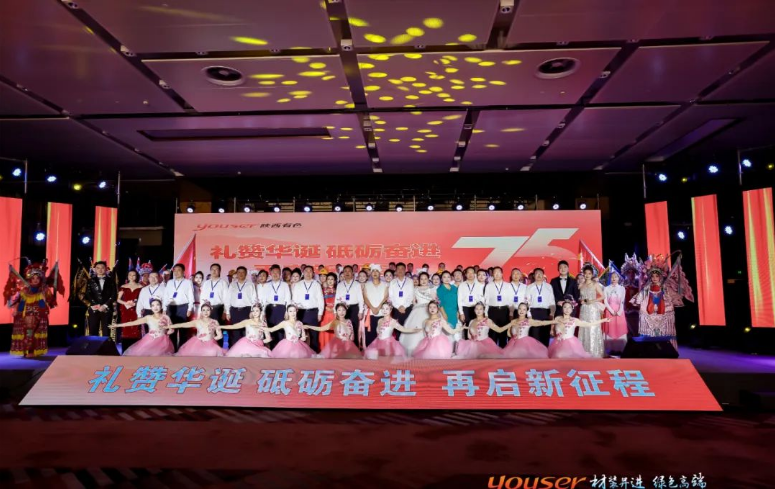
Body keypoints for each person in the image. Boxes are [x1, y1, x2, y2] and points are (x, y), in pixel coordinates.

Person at [4, 261, 62, 357]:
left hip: (40, 315)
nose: (35, 280)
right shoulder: (24, 291)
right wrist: (16, 310)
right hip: (26, 315)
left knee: (36, 334)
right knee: (27, 333)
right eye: (33, 278)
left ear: (40, 279)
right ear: (30, 279)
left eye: (37, 278)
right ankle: (27, 351)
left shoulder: (44, 290)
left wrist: (47, 299)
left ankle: (34, 351)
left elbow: (51, 302)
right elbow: (18, 302)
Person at [631, 268, 678, 349]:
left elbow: (671, 299)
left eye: (656, 276)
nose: (654, 278)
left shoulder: (665, 287)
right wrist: (640, 302)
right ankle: (650, 350)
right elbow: (639, 299)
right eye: (652, 276)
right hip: (649, 313)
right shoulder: (647, 288)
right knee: (649, 333)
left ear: (660, 277)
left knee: (664, 332)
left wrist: (669, 304)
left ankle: (666, 350)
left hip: (663, 314)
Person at [110, 298, 174, 356]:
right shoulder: (148, 317)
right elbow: (133, 323)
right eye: (153, 305)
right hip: (150, 340)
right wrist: (117, 325)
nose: (155, 307)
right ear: (151, 307)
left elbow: (171, 328)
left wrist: (169, 331)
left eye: (157, 305)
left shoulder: (166, 317)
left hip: (163, 341)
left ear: (161, 306)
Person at [400, 271, 436, 356]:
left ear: (428, 280)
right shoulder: (415, 289)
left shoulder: (431, 289)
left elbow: (434, 301)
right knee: (416, 330)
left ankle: (429, 350)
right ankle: (415, 350)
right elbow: (413, 301)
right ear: (419, 280)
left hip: (429, 311)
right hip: (417, 311)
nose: (423, 281)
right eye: (421, 279)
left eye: (425, 279)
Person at [162, 263, 195, 348]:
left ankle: (181, 350)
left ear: (183, 271)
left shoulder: (187, 282)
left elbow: (191, 296)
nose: (176, 272)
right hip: (171, 308)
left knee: (183, 330)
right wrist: (164, 308)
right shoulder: (170, 282)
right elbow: (166, 296)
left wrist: (190, 308)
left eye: (179, 270)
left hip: (183, 307)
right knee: (171, 329)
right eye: (175, 270)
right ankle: (172, 349)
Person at [224, 266, 257, 347]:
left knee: (246, 331)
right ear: (236, 274)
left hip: (246, 311)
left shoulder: (250, 284)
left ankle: (245, 350)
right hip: (234, 311)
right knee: (235, 332)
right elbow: (228, 299)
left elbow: (254, 299)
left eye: (243, 272)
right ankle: (233, 349)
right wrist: (227, 312)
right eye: (239, 272)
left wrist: (252, 311)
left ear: (246, 274)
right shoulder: (232, 285)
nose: (241, 274)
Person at [293, 265, 324, 351]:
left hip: (313, 312)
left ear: (313, 273)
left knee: (314, 334)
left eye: (310, 271)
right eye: (306, 271)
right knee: (300, 334)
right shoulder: (298, 284)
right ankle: (302, 352)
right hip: (301, 312)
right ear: (303, 273)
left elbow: (320, 299)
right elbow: (294, 299)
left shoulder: (317, 284)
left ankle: (314, 352)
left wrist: (320, 313)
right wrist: (294, 313)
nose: (308, 273)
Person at [578, 264, 606, 358]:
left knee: (593, 328)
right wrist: (581, 300)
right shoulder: (581, 285)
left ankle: (594, 352)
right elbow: (578, 297)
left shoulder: (595, 284)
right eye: (585, 273)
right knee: (584, 328)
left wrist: (593, 301)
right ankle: (584, 352)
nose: (587, 275)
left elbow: (603, 296)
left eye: (589, 273)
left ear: (592, 274)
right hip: (584, 309)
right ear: (583, 274)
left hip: (593, 309)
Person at [84, 261, 117, 337]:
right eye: (98, 268)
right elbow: (88, 294)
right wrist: (97, 305)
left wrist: (105, 305)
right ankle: (94, 345)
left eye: (102, 268)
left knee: (106, 332)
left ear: (106, 269)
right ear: (95, 269)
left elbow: (114, 295)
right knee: (93, 331)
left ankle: (106, 345)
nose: (100, 270)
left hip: (107, 309)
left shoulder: (111, 281)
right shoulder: (90, 281)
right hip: (94, 308)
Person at [261, 264, 291, 343]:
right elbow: (263, 301)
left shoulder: (285, 285)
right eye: (273, 272)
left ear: (280, 273)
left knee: (281, 331)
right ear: (270, 273)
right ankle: (272, 349)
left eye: (277, 272)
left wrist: (287, 312)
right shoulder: (266, 285)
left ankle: (280, 349)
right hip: (269, 309)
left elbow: (288, 299)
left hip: (281, 309)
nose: (275, 274)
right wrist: (263, 312)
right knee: (270, 331)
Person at [335, 265, 364, 346]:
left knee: (353, 329)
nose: (347, 273)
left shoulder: (357, 284)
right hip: (342, 309)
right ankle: (343, 348)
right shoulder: (340, 285)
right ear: (343, 273)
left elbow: (360, 299)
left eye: (349, 271)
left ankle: (354, 349)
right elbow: (337, 298)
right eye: (345, 271)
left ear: (352, 273)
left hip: (354, 309)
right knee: (342, 329)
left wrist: (360, 311)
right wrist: (335, 311)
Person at [526, 267, 555, 346]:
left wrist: (552, 313)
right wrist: (529, 315)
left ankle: (545, 352)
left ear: (543, 275)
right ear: (534, 276)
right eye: (536, 273)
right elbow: (527, 302)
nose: (538, 275)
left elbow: (552, 301)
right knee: (534, 336)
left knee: (545, 336)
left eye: (540, 273)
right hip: (533, 313)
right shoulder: (529, 287)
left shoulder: (548, 286)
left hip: (546, 313)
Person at [116, 270, 143, 351]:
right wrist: (126, 303)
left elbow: (142, 299)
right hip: (125, 309)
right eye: (130, 275)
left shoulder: (141, 287)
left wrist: (136, 303)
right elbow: (118, 299)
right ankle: (125, 349)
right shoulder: (123, 286)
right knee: (126, 327)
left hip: (136, 309)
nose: (132, 277)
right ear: (127, 276)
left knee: (136, 327)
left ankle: (135, 350)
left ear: (136, 276)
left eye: (134, 275)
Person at [362, 265, 388, 349]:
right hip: (370, 313)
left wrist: (379, 307)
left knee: (382, 334)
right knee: (370, 335)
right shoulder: (366, 285)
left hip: (382, 313)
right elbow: (365, 298)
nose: (375, 273)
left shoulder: (385, 285)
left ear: (380, 272)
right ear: (370, 273)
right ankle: (370, 353)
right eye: (373, 271)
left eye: (377, 271)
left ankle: (381, 352)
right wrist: (372, 308)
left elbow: (385, 297)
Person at [603, 269, 628, 355]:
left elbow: (622, 301)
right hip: (609, 311)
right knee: (610, 328)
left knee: (619, 328)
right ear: (610, 278)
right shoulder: (606, 288)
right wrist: (611, 310)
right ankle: (609, 349)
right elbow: (605, 301)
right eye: (612, 277)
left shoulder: (622, 288)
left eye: (616, 277)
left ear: (618, 278)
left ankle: (620, 349)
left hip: (619, 311)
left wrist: (619, 311)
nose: (614, 278)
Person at [484, 267, 510, 347]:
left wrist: (511, 312)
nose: (497, 274)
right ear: (492, 274)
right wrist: (486, 314)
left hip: (504, 311)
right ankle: (492, 351)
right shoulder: (489, 286)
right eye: (495, 272)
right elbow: (486, 300)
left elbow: (510, 299)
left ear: (502, 274)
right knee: (492, 333)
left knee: (504, 333)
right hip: (492, 311)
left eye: (499, 272)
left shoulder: (508, 285)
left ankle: (503, 350)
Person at [457, 267, 484, 339]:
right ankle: (467, 344)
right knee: (467, 328)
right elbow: (459, 300)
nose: (470, 274)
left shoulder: (479, 285)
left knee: (477, 328)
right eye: (468, 273)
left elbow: (481, 298)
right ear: (465, 274)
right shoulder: (462, 285)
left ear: (475, 274)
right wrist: (461, 313)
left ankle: (477, 344)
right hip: (465, 309)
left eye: (472, 273)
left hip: (476, 309)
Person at [436, 271, 461, 346]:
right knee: (447, 331)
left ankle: (457, 347)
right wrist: (444, 314)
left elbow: (458, 301)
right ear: (441, 279)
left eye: (448, 277)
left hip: (455, 311)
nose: (447, 279)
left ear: (451, 278)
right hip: (445, 311)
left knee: (456, 331)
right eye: (444, 277)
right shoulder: (439, 289)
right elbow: (440, 303)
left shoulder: (454, 288)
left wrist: (458, 311)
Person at [389, 262, 414, 330]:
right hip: (396, 309)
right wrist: (398, 307)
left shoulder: (410, 281)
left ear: (405, 270)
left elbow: (411, 295)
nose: (400, 270)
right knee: (397, 329)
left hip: (407, 308)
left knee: (407, 328)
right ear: (396, 270)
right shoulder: (392, 282)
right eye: (398, 269)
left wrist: (404, 306)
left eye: (402, 269)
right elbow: (391, 296)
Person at [319, 272, 338, 350]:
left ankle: (334, 349)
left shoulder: (338, 291)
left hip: (334, 313)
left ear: (335, 281)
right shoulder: (322, 290)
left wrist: (334, 309)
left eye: (332, 279)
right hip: (325, 313)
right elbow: (320, 301)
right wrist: (326, 307)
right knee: (325, 331)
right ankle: (324, 349)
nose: (330, 281)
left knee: (334, 330)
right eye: (328, 279)